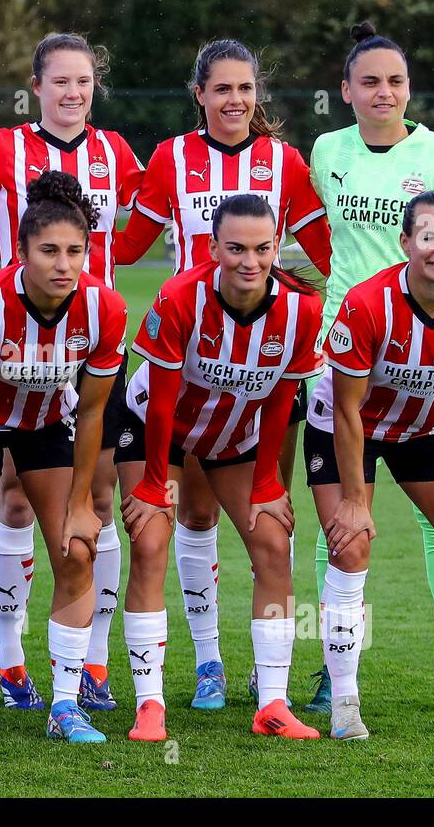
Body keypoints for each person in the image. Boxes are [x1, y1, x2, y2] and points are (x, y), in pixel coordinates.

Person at [114, 39, 332, 710]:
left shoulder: (286, 162)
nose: (235, 100)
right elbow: (121, 248)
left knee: (269, 512)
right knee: (196, 512)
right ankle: (208, 659)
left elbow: (327, 253)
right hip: (188, 353)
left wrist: (312, 297)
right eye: (222, 89)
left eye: (245, 89)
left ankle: (274, 684)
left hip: (262, 364)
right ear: (199, 94)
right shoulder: (171, 158)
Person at [302, 21, 434, 714]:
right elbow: (315, 239)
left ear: (408, 88)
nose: (384, 92)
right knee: (346, 524)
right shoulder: (327, 151)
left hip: (424, 364)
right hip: (343, 357)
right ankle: (336, 673)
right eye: (370, 81)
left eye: (396, 80)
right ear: (346, 91)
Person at [0, 32, 144, 711]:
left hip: (90, 344)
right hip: (18, 342)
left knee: (95, 503)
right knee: (9, 498)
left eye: (84, 81)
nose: (73, 92)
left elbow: (149, 211)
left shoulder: (116, 151)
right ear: (36, 86)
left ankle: (91, 662)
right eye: (61, 81)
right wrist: (0, 250)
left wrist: (111, 262)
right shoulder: (2, 147)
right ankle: (11, 666)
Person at [306, 190, 434, 739]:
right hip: (343, 424)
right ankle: (345, 703)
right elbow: (349, 408)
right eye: (429, 237)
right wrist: (354, 499)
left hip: (422, 428)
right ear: (406, 243)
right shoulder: (368, 303)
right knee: (350, 544)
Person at [118, 194, 323, 742]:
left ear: (277, 245)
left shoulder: (301, 308)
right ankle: (149, 703)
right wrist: (155, 484)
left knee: (274, 543)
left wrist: (267, 484)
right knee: (150, 541)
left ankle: (273, 705)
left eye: (261, 248)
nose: (249, 261)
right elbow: (161, 402)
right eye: (235, 249)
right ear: (213, 248)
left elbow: (283, 396)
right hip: (154, 431)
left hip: (233, 436)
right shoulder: (181, 297)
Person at [0, 171, 127, 747]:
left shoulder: (105, 309)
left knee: (76, 551)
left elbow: (91, 414)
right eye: (48, 251)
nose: (63, 264)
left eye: (75, 251)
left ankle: (65, 705)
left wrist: (80, 506)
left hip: (48, 421)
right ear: (20, 253)